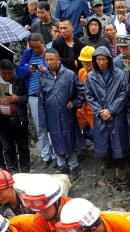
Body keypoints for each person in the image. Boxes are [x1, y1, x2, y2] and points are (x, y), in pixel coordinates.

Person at [85, 46, 130, 192]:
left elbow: (123, 93)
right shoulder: (91, 77)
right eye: (98, 59)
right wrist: (100, 111)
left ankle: (124, 182)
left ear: (109, 60)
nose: (101, 62)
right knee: (105, 153)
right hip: (101, 120)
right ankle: (111, 182)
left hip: (117, 118)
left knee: (121, 153)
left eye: (103, 59)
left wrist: (111, 110)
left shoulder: (120, 74)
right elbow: (89, 96)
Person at [39, 48, 86, 180]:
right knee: (55, 138)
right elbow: (41, 101)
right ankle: (61, 165)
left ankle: (73, 166)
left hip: (67, 113)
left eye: (51, 59)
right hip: (51, 114)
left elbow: (82, 90)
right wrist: (42, 120)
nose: (48, 62)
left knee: (70, 137)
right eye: (46, 60)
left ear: (58, 60)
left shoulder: (69, 75)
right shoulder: (43, 78)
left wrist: (75, 102)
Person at [0, 60, 31, 174]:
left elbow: (28, 96)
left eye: (10, 73)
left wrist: (18, 99)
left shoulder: (19, 79)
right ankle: (13, 171)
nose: (8, 76)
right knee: (8, 148)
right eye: (4, 73)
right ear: (0, 72)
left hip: (18, 118)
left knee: (23, 146)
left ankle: (25, 171)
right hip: (2, 120)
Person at [17, 33, 56, 170]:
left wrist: (46, 70)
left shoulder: (50, 53)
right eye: (33, 48)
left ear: (43, 43)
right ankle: (46, 156)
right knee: (40, 127)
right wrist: (28, 69)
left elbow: (59, 68)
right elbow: (19, 70)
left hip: (49, 94)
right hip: (34, 95)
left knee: (53, 126)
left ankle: (57, 155)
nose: (36, 50)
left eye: (38, 47)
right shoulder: (28, 53)